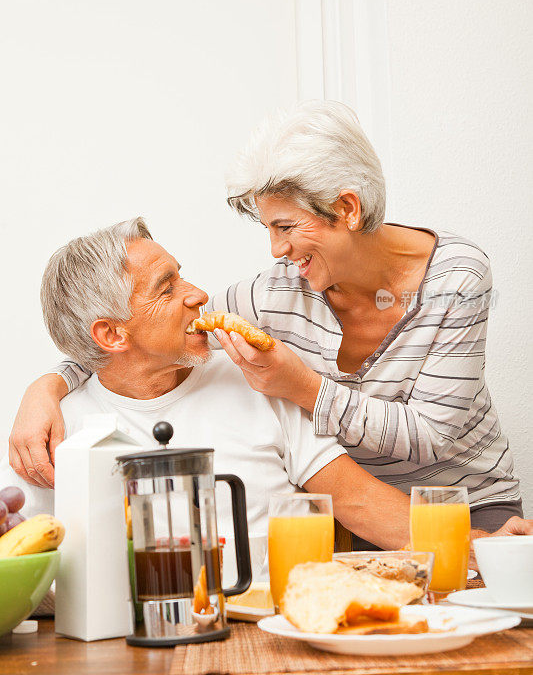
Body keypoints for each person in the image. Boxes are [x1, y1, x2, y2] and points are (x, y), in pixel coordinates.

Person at [8, 103, 531, 535]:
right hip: (372, 516)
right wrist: (48, 387)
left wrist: (304, 388)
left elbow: (432, 437)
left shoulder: (456, 276)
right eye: (268, 228)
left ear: (346, 208)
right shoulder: (277, 295)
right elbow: (144, 341)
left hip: (469, 499)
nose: (276, 250)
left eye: (285, 226)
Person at [0, 218, 413, 560]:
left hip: (276, 625)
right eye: (167, 288)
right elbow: (31, 570)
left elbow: (357, 502)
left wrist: (474, 549)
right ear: (111, 334)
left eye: (182, 276)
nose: (198, 295)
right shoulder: (55, 435)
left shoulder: (252, 377)